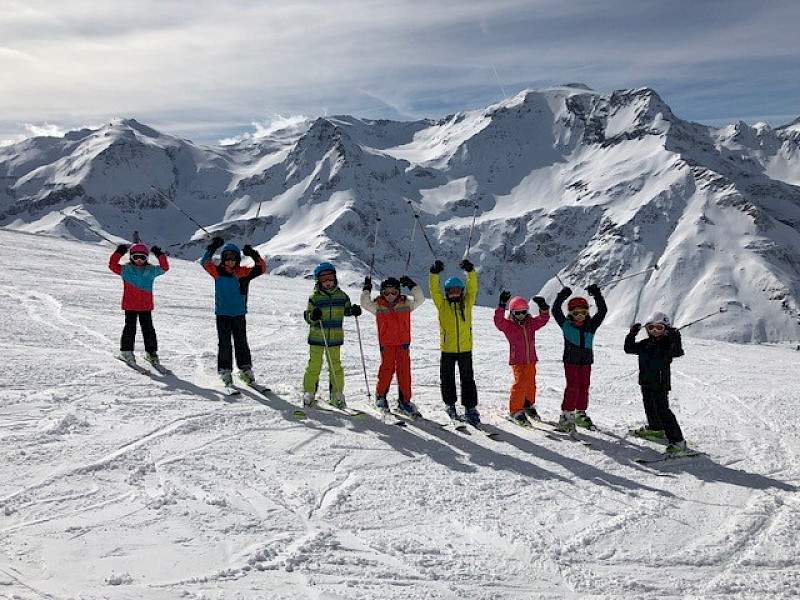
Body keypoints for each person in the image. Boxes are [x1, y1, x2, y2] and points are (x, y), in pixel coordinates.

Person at [624, 312, 692, 455]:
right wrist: (632, 334)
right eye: (651, 328)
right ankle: (655, 429)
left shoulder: (667, 345)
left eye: (659, 328)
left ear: (666, 329)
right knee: (649, 406)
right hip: (645, 381)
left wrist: (675, 336)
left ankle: (678, 442)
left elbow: (678, 351)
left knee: (663, 410)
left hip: (660, 383)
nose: (655, 332)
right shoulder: (645, 344)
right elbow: (628, 348)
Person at [202, 236, 267, 387]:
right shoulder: (217, 272)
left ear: (238, 260)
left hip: (239, 314)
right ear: (223, 259)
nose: (230, 261)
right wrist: (213, 248)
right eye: (227, 258)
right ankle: (225, 370)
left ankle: (245, 369)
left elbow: (262, 269)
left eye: (233, 258)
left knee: (241, 342)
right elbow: (204, 262)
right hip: (223, 314)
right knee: (224, 343)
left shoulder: (244, 273)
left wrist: (253, 254)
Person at [360, 274, 425, 416]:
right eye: (386, 292)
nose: (390, 296)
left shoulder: (406, 304)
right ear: (382, 293)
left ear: (399, 292)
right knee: (387, 370)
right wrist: (366, 289)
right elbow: (364, 303)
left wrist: (411, 285)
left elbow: (420, 299)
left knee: (404, 372)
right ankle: (381, 396)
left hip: (403, 345)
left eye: (394, 292)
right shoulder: (378, 306)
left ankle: (405, 401)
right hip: (387, 344)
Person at [302, 262, 361, 408]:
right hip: (317, 337)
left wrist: (353, 310)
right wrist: (313, 316)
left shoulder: (342, 296)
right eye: (324, 279)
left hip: (334, 338)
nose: (328, 282)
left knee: (335, 366)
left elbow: (346, 310)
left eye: (330, 278)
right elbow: (308, 316)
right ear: (318, 281)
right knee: (314, 365)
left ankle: (336, 393)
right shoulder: (315, 297)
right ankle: (309, 391)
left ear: (335, 278)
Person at [429, 258, 480, 424]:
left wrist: (470, 272)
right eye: (451, 290)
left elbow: (473, 288)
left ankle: (470, 408)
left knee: (468, 379)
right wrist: (434, 273)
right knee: (448, 378)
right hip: (448, 349)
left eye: (458, 290)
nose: (455, 293)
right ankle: (450, 405)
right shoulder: (442, 305)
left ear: (462, 291)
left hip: (465, 349)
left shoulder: (467, 304)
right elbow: (433, 291)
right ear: (446, 292)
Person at [552, 284, 607, 431]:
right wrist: (562, 296)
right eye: (576, 313)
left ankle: (580, 413)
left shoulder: (591, 325)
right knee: (572, 387)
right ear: (570, 314)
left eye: (583, 312)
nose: (580, 316)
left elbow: (602, 311)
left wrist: (597, 294)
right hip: (571, 362)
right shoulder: (566, 325)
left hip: (586, 362)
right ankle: (566, 415)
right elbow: (555, 310)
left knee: (584, 386)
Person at [109, 243, 169, 367]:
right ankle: (126, 352)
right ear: (131, 257)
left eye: (143, 258)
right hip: (130, 306)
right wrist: (119, 252)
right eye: (136, 257)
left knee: (149, 330)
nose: (139, 261)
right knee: (130, 329)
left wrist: (160, 255)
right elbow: (112, 265)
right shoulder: (126, 270)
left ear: (147, 258)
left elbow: (164, 268)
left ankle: (151, 353)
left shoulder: (151, 271)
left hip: (145, 306)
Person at [494, 292, 550, 425]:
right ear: (512, 313)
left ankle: (528, 404)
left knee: (531, 384)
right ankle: (515, 410)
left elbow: (543, 319)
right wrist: (501, 306)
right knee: (520, 383)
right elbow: (498, 322)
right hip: (518, 360)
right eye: (517, 313)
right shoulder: (509, 325)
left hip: (531, 360)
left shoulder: (531, 323)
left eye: (523, 312)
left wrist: (543, 308)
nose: (521, 315)